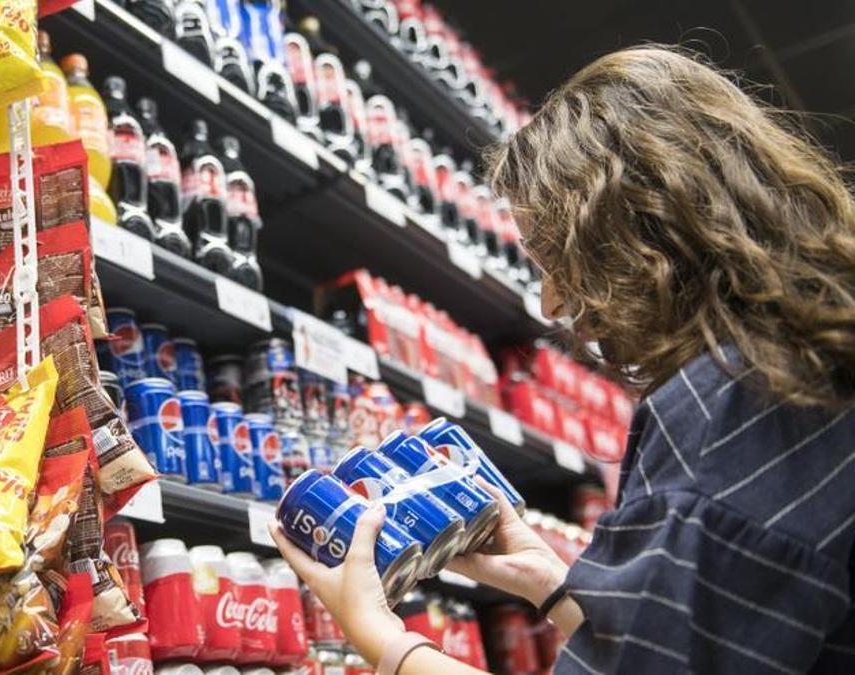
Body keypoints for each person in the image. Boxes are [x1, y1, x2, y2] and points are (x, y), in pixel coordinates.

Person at [272, 45, 855, 674]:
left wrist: (380, 636)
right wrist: (554, 586)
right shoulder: (802, 369)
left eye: (555, 256)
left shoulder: (732, 406)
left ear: (637, 229)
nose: (551, 302)